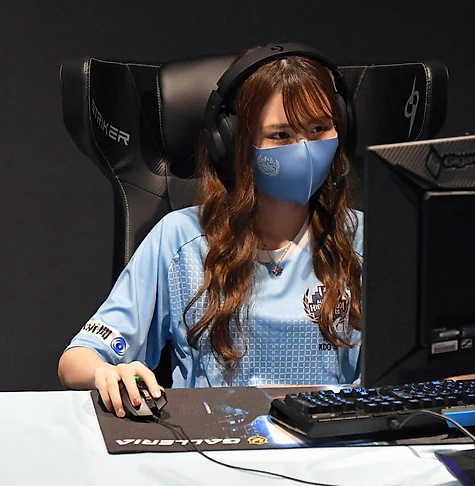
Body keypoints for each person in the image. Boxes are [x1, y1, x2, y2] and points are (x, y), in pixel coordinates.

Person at [58, 45, 363, 418]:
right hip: (214, 441)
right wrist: (107, 372)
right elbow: (76, 360)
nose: (304, 149)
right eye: (281, 134)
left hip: (335, 442)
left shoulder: (367, 240)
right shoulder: (180, 240)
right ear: (234, 142)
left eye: (318, 129)